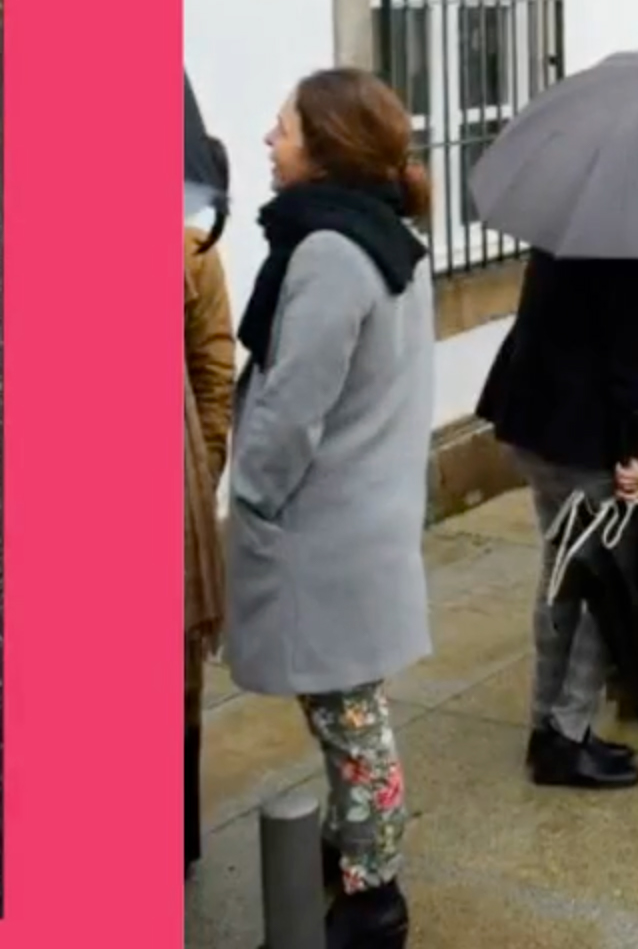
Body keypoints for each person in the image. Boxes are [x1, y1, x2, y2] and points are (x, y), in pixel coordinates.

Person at [224, 68, 435, 944]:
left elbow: (290, 410)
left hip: (327, 534)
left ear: (325, 144)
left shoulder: (327, 253)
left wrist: (254, 501)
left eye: (283, 128)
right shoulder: (382, 236)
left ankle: (372, 894)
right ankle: (354, 855)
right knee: (352, 713)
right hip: (369, 519)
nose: (269, 141)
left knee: (352, 723)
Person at [479, 250, 638, 791]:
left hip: (540, 423)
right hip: (585, 438)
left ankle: (551, 725)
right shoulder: (637, 243)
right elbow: (630, 358)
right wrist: (632, 452)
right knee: (604, 588)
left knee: (561, 573)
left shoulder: (567, 224)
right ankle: (565, 732)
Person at [183, 140, 234, 876]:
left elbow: (213, 373)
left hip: (173, 485)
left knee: (173, 674)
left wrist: (201, 469)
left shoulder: (193, 253)